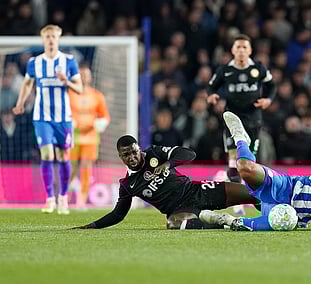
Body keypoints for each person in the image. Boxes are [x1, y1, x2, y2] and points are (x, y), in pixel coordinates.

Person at [71, 135, 258, 230]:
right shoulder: (127, 185)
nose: (132, 157)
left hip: (196, 190)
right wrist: (90, 226)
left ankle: (274, 210)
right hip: (179, 210)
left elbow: (189, 154)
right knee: (173, 224)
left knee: (251, 193)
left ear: (139, 149)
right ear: (120, 157)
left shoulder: (154, 153)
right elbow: (118, 215)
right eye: (126, 155)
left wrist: (168, 163)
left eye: (134, 152)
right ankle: (228, 222)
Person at [12, 24, 83, 215]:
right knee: (46, 155)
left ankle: (63, 198)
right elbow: (27, 84)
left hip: (63, 118)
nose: (51, 39)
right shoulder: (34, 62)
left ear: (58, 38)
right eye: (47, 36)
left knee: (63, 157)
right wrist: (20, 103)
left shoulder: (69, 61)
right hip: (42, 117)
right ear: (43, 39)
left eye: (54, 36)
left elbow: (80, 88)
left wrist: (65, 81)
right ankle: (50, 198)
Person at [207, 34, 276, 214]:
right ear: (233, 50)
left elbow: (272, 86)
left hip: (253, 120)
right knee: (233, 162)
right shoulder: (225, 70)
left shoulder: (258, 68)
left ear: (250, 50)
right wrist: (212, 95)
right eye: (238, 47)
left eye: (245, 47)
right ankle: (237, 203)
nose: (241, 51)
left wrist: (268, 100)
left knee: (249, 163)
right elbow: (212, 86)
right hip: (232, 119)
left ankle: (249, 194)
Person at [69, 63, 110, 209]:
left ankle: (82, 199)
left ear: (90, 77)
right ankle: (65, 197)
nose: (84, 77)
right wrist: (70, 122)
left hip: (91, 136)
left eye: (86, 74)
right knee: (70, 167)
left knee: (86, 167)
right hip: (73, 136)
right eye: (81, 75)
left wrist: (99, 124)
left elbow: (105, 116)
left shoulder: (97, 96)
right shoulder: (69, 94)